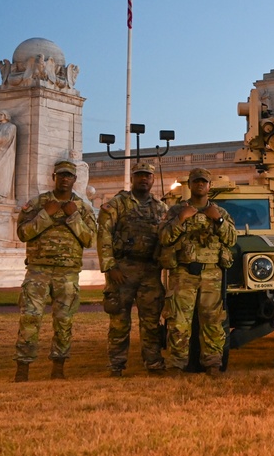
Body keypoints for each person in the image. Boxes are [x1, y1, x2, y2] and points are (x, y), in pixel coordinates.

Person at [13, 159, 97, 382]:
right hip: (38, 271)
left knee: (64, 320)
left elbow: (89, 239)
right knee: (30, 318)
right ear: (54, 177)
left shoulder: (82, 207)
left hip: (67, 273)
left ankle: (58, 366)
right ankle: (23, 367)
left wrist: (73, 217)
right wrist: (45, 215)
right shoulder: (38, 203)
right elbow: (23, 234)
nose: (64, 179)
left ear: (75, 180)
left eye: (69, 176)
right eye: (61, 175)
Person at [159, 168, 237, 376]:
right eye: (196, 182)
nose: (200, 185)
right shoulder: (176, 211)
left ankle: (212, 364)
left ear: (209, 186)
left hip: (211, 273)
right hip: (183, 274)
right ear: (190, 185)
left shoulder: (220, 212)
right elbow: (164, 238)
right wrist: (181, 219)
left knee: (212, 320)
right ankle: (176, 365)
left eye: (204, 182)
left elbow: (231, 240)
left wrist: (218, 221)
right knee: (178, 321)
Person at [96, 161, 169, 377]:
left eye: (147, 176)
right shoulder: (118, 204)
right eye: (139, 175)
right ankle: (116, 365)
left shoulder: (160, 208)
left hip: (149, 271)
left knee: (151, 321)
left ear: (153, 179)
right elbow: (104, 235)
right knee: (119, 320)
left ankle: (153, 363)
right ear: (133, 178)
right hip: (123, 270)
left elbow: (166, 239)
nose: (143, 179)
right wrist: (110, 267)